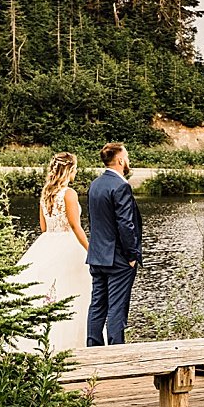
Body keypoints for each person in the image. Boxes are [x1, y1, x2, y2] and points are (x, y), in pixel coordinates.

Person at [12, 151, 93, 351]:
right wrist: (91, 250)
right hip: (69, 245)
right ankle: (75, 345)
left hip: (47, 243)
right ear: (69, 169)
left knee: (46, 291)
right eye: (75, 169)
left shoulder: (46, 192)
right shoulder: (69, 193)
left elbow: (43, 227)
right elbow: (75, 226)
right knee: (75, 293)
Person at [85, 141, 143, 346]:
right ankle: (117, 355)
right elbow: (126, 225)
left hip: (97, 256)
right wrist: (132, 256)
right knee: (117, 309)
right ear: (119, 160)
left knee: (97, 306)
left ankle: (93, 352)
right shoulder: (121, 186)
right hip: (118, 259)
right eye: (126, 157)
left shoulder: (95, 184)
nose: (128, 161)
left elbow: (94, 221)